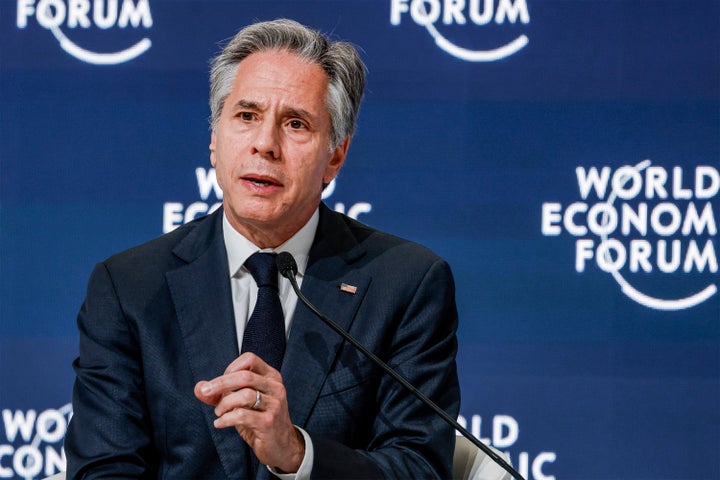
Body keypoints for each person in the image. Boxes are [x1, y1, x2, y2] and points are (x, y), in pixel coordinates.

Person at [65, 18, 460, 479]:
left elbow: (420, 467)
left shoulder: (405, 283)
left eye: (295, 123)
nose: (265, 145)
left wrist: (298, 454)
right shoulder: (130, 288)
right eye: (246, 116)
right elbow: (103, 469)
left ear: (336, 155)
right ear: (215, 140)